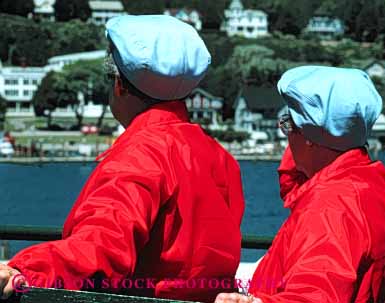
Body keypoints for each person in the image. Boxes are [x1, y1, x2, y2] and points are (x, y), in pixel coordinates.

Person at [0, 15, 245, 302]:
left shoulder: (141, 153)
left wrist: (23, 272)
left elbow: (102, 245)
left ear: (119, 84)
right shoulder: (220, 157)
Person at [215, 66, 385, 303]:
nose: (286, 135)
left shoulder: (330, 206)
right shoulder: (377, 183)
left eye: (289, 125)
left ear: (309, 138)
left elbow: (316, 297)